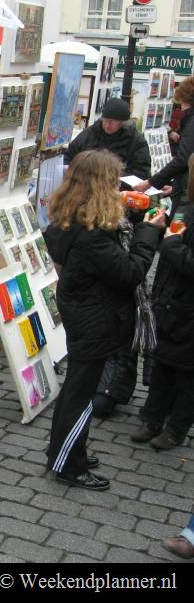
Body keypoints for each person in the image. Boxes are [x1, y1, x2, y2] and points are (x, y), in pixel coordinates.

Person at [43, 150, 163, 490]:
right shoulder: (91, 234)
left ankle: (61, 449)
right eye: (113, 182)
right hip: (93, 318)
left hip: (85, 311)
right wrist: (148, 234)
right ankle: (69, 464)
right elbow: (130, 273)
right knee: (81, 394)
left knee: (76, 387)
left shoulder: (75, 217)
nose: (117, 188)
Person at [131, 156, 194, 450]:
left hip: (188, 302)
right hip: (171, 298)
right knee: (163, 362)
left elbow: (184, 256)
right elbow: (175, 233)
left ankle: (176, 427)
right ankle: (152, 417)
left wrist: (171, 244)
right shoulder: (186, 206)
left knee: (187, 372)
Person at [133, 76, 194, 215]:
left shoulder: (191, 123)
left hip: (186, 192)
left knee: (178, 224)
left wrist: (150, 183)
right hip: (185, 187)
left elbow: (183, 159)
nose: (181, 107)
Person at [64, 98, 150, 179]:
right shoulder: (90, 133)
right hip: (85, 183)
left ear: (123, 123)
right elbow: (69, 155)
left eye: (113, 122)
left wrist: (109, 177)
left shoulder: (136, 141)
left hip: (117, 185)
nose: (107, 125)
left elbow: (141, 171)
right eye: (105, 120)